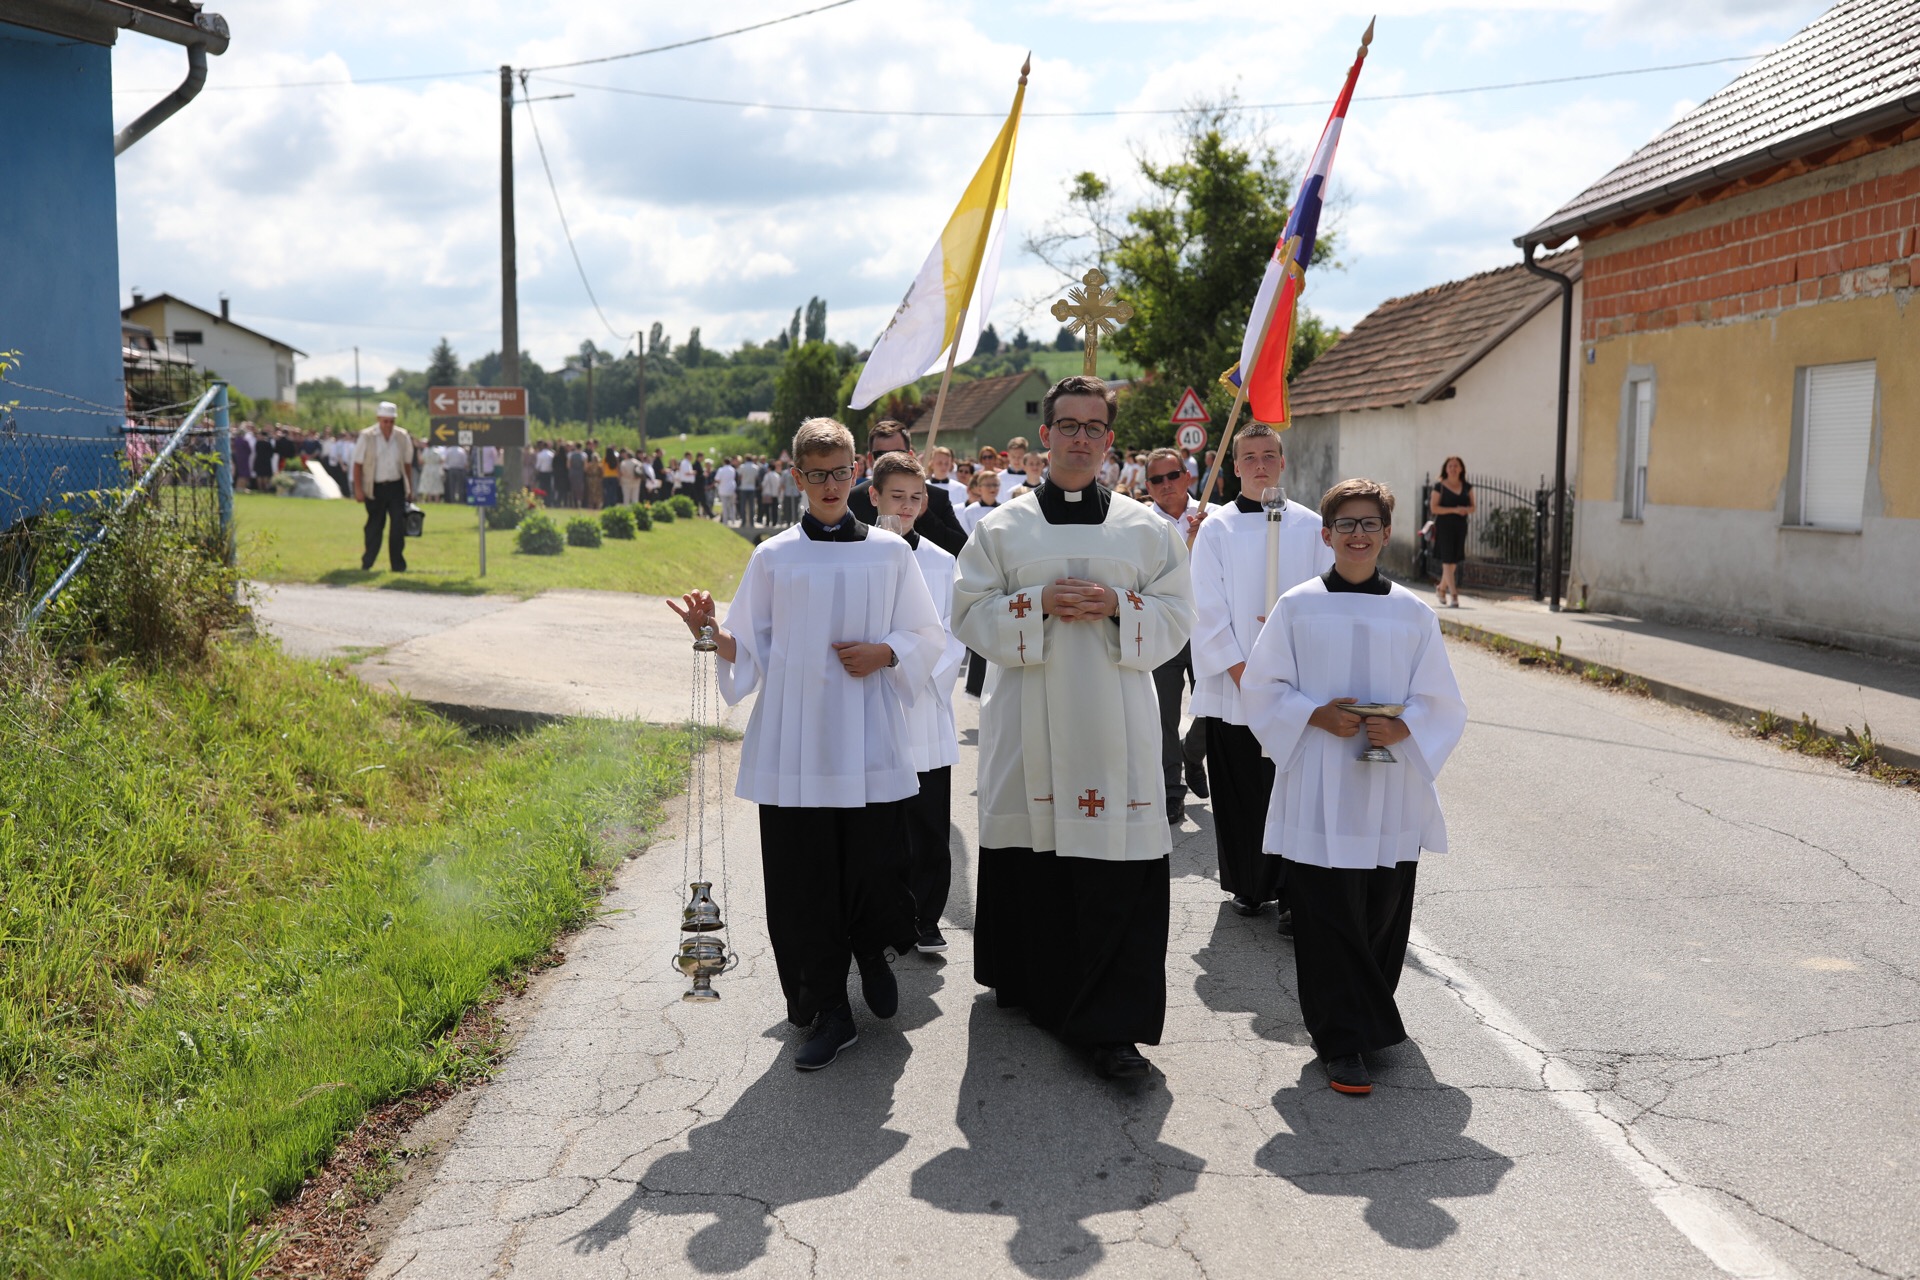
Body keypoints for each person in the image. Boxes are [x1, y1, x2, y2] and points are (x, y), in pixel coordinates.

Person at [669, 417, 945, 1071]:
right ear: (797, 477)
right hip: (796, 743)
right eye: (815, 473)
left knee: (876, 867)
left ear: (857, 474)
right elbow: (749, 648)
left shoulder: (889, 553)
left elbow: (925, 635)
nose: (828, 484)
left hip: (867, 735)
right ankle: (828, 1009)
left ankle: (872, 950)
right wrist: (709, 631)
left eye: (840, 472)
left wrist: (885, 651)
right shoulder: (774, 557)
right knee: (803, 883)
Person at [952, 375, 1195, 1081]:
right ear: (1048, 433)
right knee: (1034, 858)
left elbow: (1179, 620)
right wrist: (1036, 603)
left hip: (1114, 723)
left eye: (1094, 426)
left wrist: (1120, 604)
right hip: (1027, 720)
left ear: (1109, 439)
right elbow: (967, 614)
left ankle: (1109, 1025)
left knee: (1112, 867)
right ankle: (1031, 983)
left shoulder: (1147, 528)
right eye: (1068, 425)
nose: (1081, 438)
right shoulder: (1003, 527)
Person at [1241, 479, 1467, 1096]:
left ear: (1385, 534)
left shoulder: (1414, 614)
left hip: (1389, 786)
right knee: (1325, 911)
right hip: (1320, 780)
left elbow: (1442, 701)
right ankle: (1341, 1040)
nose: (1358, 535)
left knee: (1382, 908)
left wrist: (1404, 726)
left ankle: (1366, 1020)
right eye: (1347, 525)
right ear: (1326, 535)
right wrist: (1315, 714)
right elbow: (1261, 688)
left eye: (1370, 524)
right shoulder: (1297, 605)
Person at [1188, 425, 1331, 929]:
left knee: (1293, 787)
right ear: (1236, 467)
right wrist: (1245, 675)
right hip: (1236, 685)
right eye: (1250, 457)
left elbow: (1325, 604)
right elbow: (1205, 609)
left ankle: (1294, 891)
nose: (1261, 464)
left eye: (1269, 455)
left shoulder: (1313, 527)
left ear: (1283, 462)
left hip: (1296, 685)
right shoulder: (1217, 529)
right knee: (1243, 787)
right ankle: (1251, 885)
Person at [870, 451, 965, 954]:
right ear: (874, 498)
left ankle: (927, 916)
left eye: (915, 498)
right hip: (870, 701)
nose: (906, 508)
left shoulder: (940, 561)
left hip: (924, 703)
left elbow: (953, 636)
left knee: (928, 822)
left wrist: (908, 665)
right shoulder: (860, 556)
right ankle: (884, 917)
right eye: (896, 497)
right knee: (882, 823)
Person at [1140, 447, 1214, 821]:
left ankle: (1193, 752)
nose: (1166, 484)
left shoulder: (1214, 518)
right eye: (1157, 479)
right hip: (1164, 629)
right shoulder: (1138, 524)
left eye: (1173, 476)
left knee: (1213, 708)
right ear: (1148, 487)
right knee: (1164, 715)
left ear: (1188, 476)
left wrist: (1208, 539)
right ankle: (1172, 789)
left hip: (1209, 628)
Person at [847, 421, 969, 556]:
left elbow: (962, 550)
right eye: (881, 455)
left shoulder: (936, 497)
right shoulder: (852, 499)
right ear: (870, 459)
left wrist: (925, 515)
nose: (891, 461)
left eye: (898, 453)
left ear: (911, 455)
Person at [352, 402, 416, 572]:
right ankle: (368, 562)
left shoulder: (402, 437)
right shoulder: (367, 436)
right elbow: (357, 464)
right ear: (378, 419)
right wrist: (358, 489)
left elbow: (408, 464)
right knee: (374, 526)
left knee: (397, 526)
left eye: (391, 422)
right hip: (375, 488)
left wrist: (410, 488)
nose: (388, 425)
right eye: (385, 421)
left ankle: (397, 565)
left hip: (396, 486)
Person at [1429, 456, 1475, 608]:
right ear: (1446, 468)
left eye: (1456, 465)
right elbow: (1434, 508)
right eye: (1450, 466)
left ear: (1461, 468)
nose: (1453, 468)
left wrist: (1465, 510)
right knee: (1447, 561)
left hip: (1460, 526)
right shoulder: (1439, 486)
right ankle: (1454, 595)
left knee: (1453, 561)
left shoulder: (1467, 487)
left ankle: (1441, 588)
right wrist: (1454, 510)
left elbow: (1473, 507)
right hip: (1444, 526)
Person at [927, 446, 967, 512]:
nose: (944, 466)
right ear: (931, 463)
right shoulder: (922, 488)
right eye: (940, 463)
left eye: (946, 463)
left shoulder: (962, 489)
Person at [996, 436, 1032, 503]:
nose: (1016, 460)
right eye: (1013, 456)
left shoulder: (1034, 479)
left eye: (1020, 457)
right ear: (1008, 456)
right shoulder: (999, 478)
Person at [737, 454, 761, 528]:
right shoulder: (755, 467)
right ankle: (751, 522)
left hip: (744, 488)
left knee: (743, 506)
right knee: (752, 506)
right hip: (752, 488)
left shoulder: (742, 467)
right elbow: (757, 478)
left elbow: (740, 477)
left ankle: (743, 522)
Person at [715, 455, 738, 524]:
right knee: (732, 505)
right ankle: (733, 520)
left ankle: (725, 521)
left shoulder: (721, 470)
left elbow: (717, 479)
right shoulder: (733, 469)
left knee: (725, 506)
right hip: (731, 489)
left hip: (723, 490)